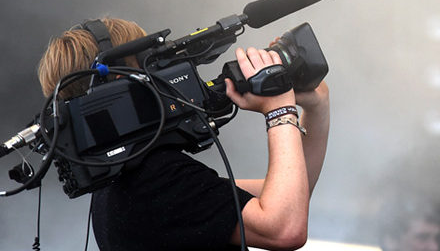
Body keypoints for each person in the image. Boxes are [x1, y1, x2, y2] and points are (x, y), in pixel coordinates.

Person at [37, 17, 330, 251]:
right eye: (148, 63)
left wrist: (316, 109)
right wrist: (278, 109)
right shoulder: (154, 181)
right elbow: (284, 228)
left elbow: (287, 197)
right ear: (117, 84)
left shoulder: (126, 177)